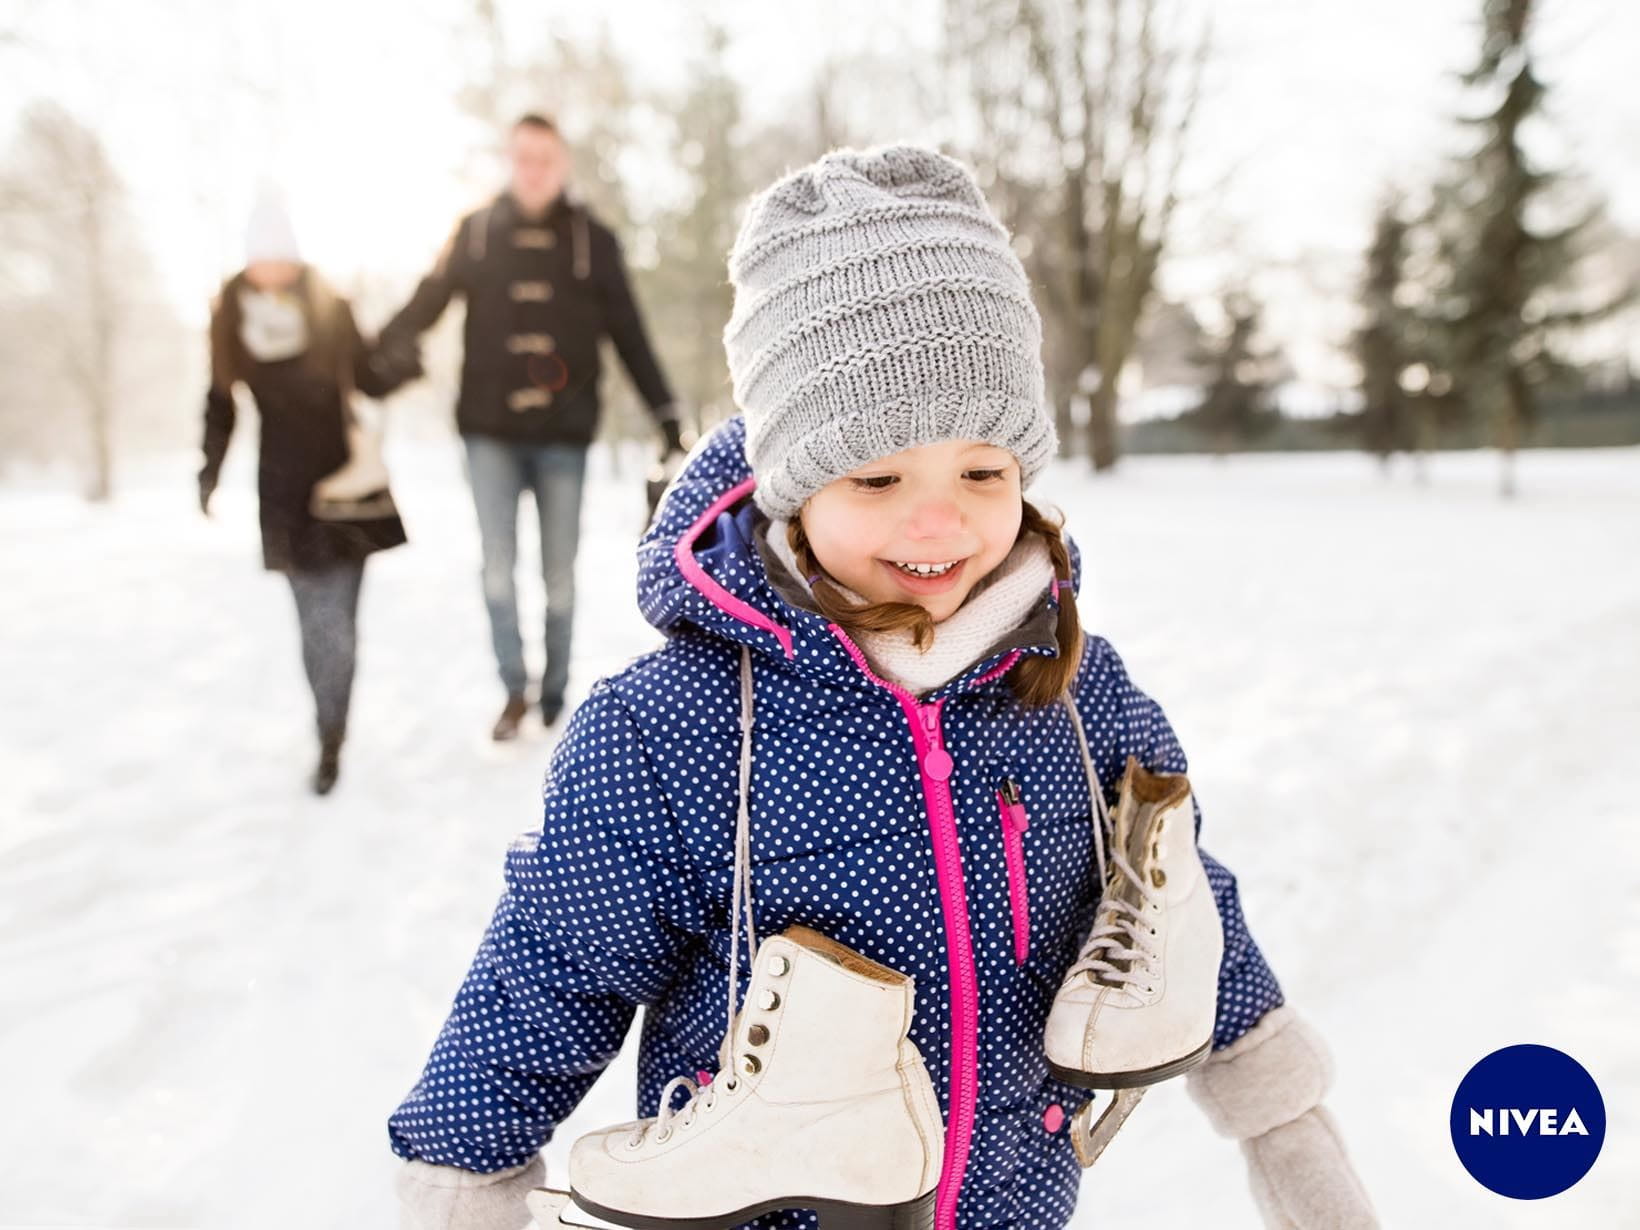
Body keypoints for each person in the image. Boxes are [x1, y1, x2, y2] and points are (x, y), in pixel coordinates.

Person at [388, 148, 1377, 1229]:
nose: (939, 520)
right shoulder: (669, 731)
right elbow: (547, 973)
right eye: (875, 477)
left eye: (982, 472)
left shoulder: (1073, 687)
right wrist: (461, 1182)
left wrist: (1280, 1121)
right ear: (792, 488)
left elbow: (1176, 902)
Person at [377, 112, 685, 741]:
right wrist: (379, 348)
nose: (534, 171)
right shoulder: (477, 231)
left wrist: (665, 414)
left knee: (560, 575)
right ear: (510, 161)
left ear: (563, 164)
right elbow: (428, 299)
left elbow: (628, 330)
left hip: (563, 436)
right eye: (523, 158)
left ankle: (555, 691)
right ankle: (512, 688)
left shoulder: (591, 240)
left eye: (546, 159)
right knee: (496, 567)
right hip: (488, 431)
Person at [198, 186, 406, 795]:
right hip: (284, 493)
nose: (275, 269)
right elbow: (219, 404)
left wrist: (402, 357)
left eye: (283, 256)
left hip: (345, 487)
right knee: (313, 627)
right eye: (264, 257)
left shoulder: (329, 305)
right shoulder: (230, 317)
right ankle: (328, 731)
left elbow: (369, 374)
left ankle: (333, 727)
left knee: (339, 625)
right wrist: (207, 472)